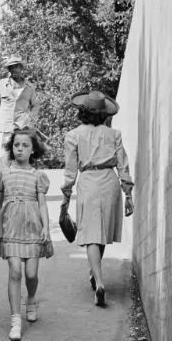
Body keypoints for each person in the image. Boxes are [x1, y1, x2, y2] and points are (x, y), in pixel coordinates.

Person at [60, 90, 134, 307]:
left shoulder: (73, 135)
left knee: (92, 233)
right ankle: (95, 274)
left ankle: (99, 281)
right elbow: (123, 166)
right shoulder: (114, 135)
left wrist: (65, 198)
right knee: (100, 233)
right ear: (104, 114)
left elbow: (70, 171)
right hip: (109, 182)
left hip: (89, 181)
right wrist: (128, 194)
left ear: (83, 111)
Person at [0, 128, 53, 341]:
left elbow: (42, 205)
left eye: (25, 145)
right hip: (10, 228)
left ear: (33, 149)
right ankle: (15, 319)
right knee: (15, 271)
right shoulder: (4, 174)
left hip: (33, 228)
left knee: (31, 274)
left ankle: (31, 298)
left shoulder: (38, 176)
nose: (20, 149)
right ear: (11, 148)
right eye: (16, 145)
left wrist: (46, 228)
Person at [0, 55, 39, 169]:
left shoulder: (29, 87)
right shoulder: (2, 84)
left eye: (16, 66)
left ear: (21, 68)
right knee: (2, 158)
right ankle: (3, 185)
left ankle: (19, 184)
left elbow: (35, 106)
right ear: (9, 70)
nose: (14, 69)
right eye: (11, 67)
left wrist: (29, 119)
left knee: (21, 158)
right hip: (3, 127)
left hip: (21, 128)